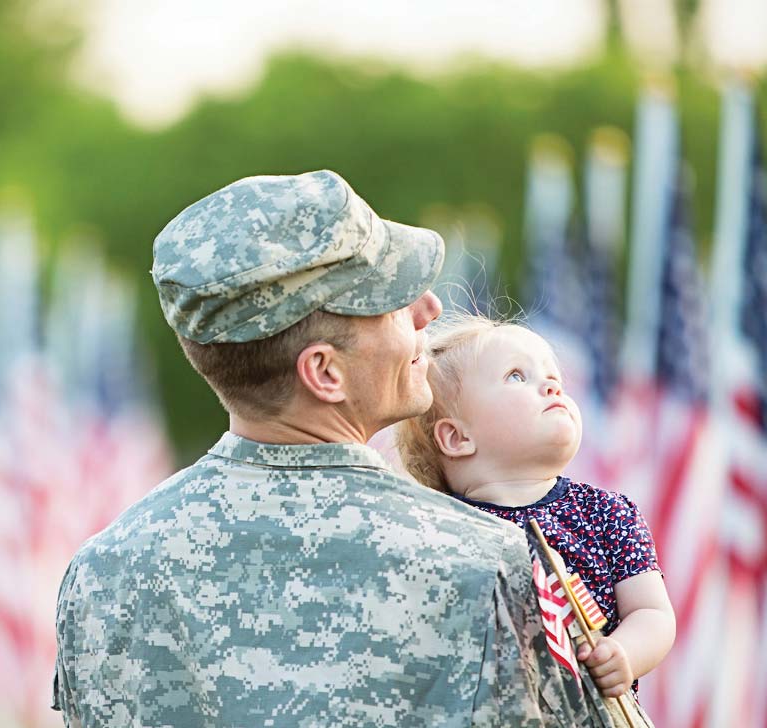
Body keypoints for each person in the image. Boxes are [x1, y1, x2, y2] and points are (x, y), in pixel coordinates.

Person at [52, 170, 614, 726]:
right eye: (392, 302)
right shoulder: (488, 563)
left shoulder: (103, 572)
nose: (429, 311)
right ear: (324, 372)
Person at [396, 313, 676, 700]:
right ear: (457, 437)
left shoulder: (607, 513)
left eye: (554, 378)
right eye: (516, 376)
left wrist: (624, 652)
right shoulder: (437, 531)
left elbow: (652, 614)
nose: (550, 386)